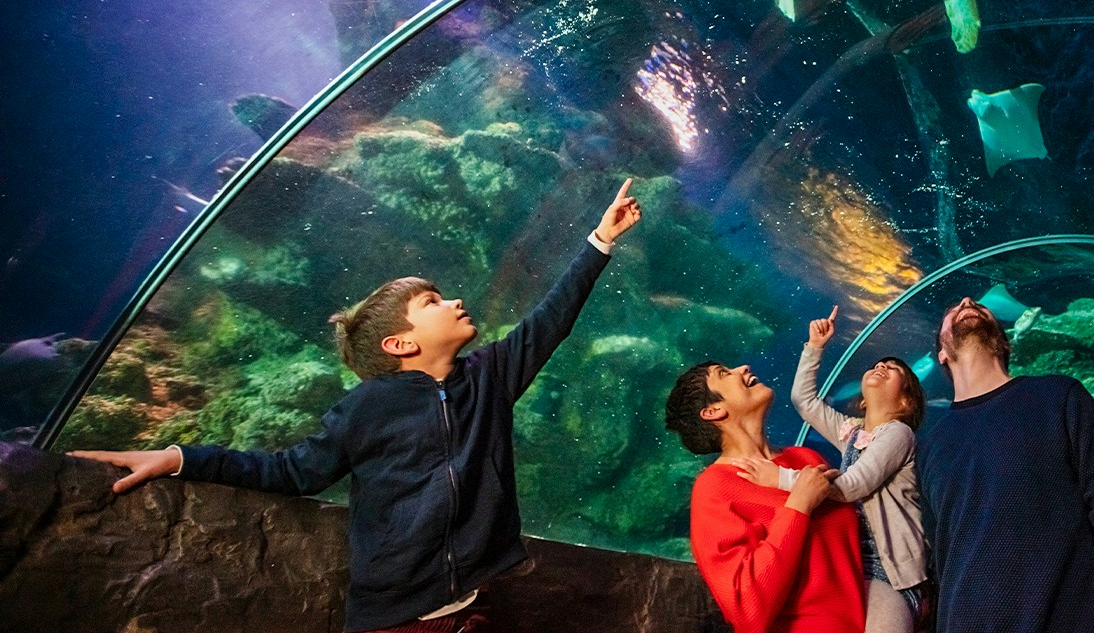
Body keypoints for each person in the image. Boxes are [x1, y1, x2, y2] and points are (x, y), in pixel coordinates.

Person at [72, 179, 643, 633]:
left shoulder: (488, 377)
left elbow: (551, 319)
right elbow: (292, 471)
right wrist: (176, 458)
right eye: (433, 301)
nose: (456, 301)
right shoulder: (366, 407)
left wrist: (599, 241)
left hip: (476, 601)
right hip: (396, 618)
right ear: (401, 344)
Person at [918, 296, 1094, 633]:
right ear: (942, 355)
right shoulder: (931, 446)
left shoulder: (1058, 396)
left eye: (978, 304)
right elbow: (942, 562)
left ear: (1005, 341)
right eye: (952, 312)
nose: (967, 300)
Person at [731, 306, 928, 633]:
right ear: (862, 402)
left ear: (907, 403)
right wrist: (815, 347)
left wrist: (780, 478)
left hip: (890, 571)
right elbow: (804, 401)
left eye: (893, 370)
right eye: (878, 364)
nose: (881, 366)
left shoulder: (898, 434)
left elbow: (852, 486)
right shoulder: (853, 433)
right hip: (847, 562)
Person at [664, 358, 866, 633]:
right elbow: (747, 611)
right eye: (725, 373)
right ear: (713, 411)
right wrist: (798, 505)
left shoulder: (805, 458)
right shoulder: (714, 488)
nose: (743, 368)